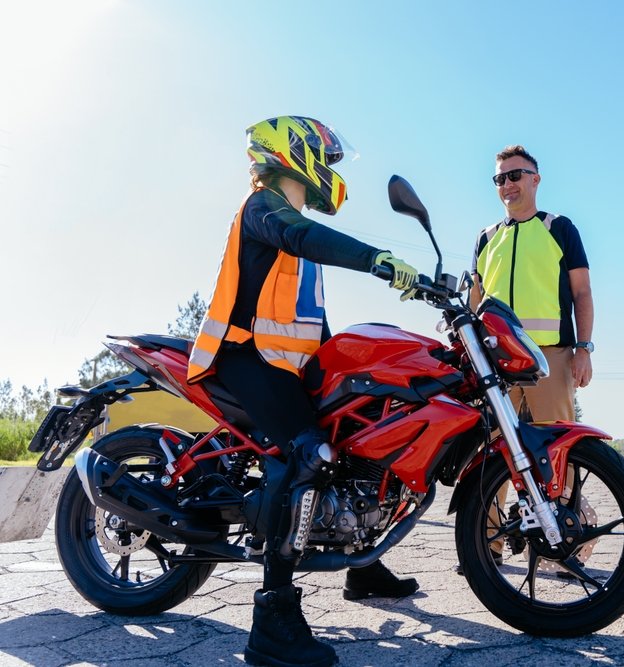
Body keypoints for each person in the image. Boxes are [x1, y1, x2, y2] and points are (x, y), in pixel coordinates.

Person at [187, 116, 420, 667]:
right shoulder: (266, 208)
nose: (332, 171)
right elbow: (301, 235)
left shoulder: (291, 227)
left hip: (283, 366)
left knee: (357, 430)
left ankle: (362, 567)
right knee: (312, 454)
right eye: (328, 159)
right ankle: (272, 622)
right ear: (296, 155)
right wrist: (377, 259)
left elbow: (306, 325)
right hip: (240, 357)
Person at [467, 144, 594, 569]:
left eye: (515, 175)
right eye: (500, 178)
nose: (507, 185)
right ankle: (487, 548)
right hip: (495, 365)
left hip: (549, 360)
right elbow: (474, 302)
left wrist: (584, 349)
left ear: (536, 180)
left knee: (558, 452)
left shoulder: (560, 228)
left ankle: (564, 548)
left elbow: (582, 293)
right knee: (489, 456)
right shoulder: (486, 238)